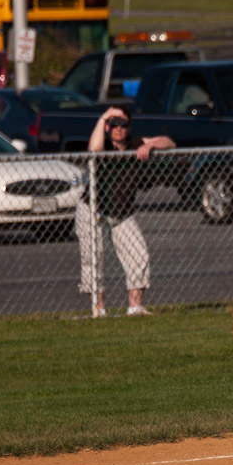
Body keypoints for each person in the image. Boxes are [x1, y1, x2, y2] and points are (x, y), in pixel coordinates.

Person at [77, 105, 175, 317]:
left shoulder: (135, 143)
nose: (118, 128)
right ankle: (98, 309)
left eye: (123, 124)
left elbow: (169, 142)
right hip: (92, 209)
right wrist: (103, 118)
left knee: (138, 254)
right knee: (94, 258)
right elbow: (93, 149)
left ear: (129, 126)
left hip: (121, 212)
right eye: (113, 123)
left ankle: (135, 308)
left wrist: (150, 146)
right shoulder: (104, 144)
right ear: (107, 127)